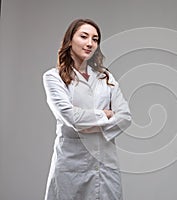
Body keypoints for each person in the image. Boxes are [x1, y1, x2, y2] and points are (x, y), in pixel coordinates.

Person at [43, 18, 132, 200]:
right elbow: (71, 116)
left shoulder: (105, 77)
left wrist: (89, 125)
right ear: (70, 40)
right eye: (84, 37)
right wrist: (105, 115)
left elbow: (125, 116)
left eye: (95, 39)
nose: (90, 43)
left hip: (106, 165)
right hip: (71, 165)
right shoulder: (54, 77)